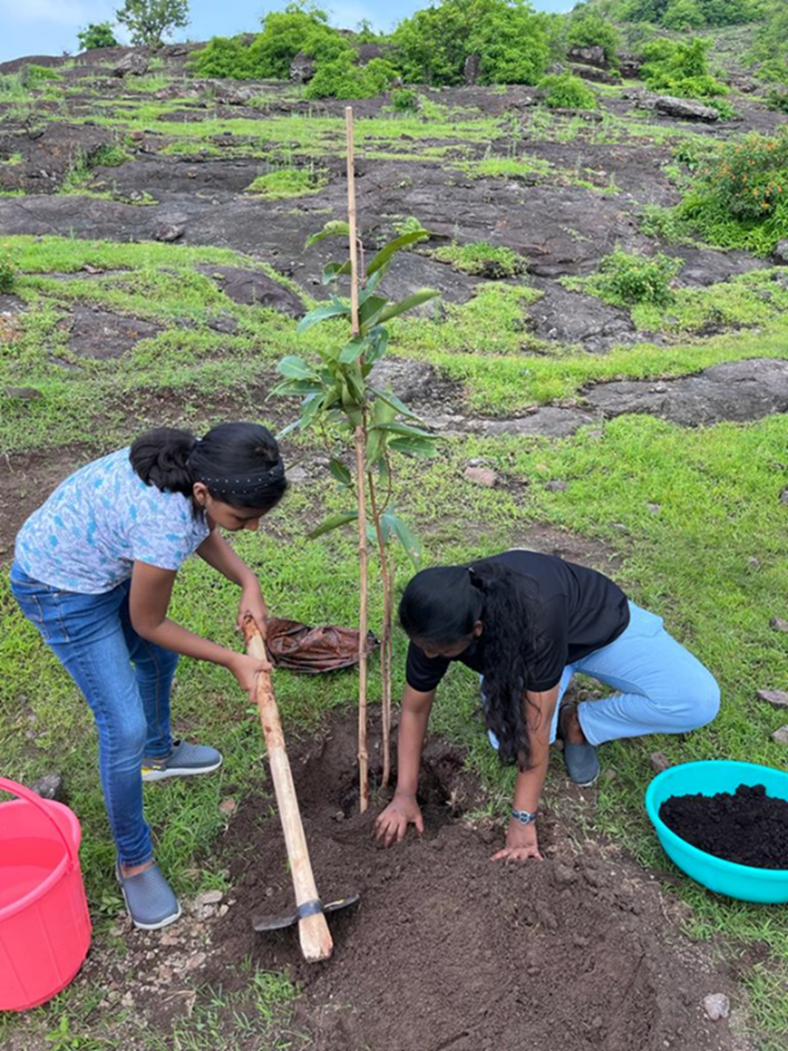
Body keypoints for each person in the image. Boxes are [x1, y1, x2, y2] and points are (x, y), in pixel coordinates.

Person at [10, 423, 287, 929]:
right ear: (202, 492)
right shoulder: (164, 520)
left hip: (99, 568)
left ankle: (158, 755)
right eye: (242, 518)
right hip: (58, 589)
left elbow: (201, 526)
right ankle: (134, 862)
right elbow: (149, 622)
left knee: (158, 661)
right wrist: (233, 659)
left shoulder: (195, 470)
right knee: (123, 728)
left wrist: (248, 579)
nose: (249, 528)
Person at [375, 550, 720, 861]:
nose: (429, 656)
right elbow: (414, 709)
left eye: (440, 651)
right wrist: (405, 794)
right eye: (426, 648)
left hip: (594, 631)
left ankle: (579, 722)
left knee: (696, 700)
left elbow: (535, 729)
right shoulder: (434, 623)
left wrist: (522, 821)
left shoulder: (533, 615)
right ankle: (563, 711)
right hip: (520, 653)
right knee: (506, 741)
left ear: (476, 630)